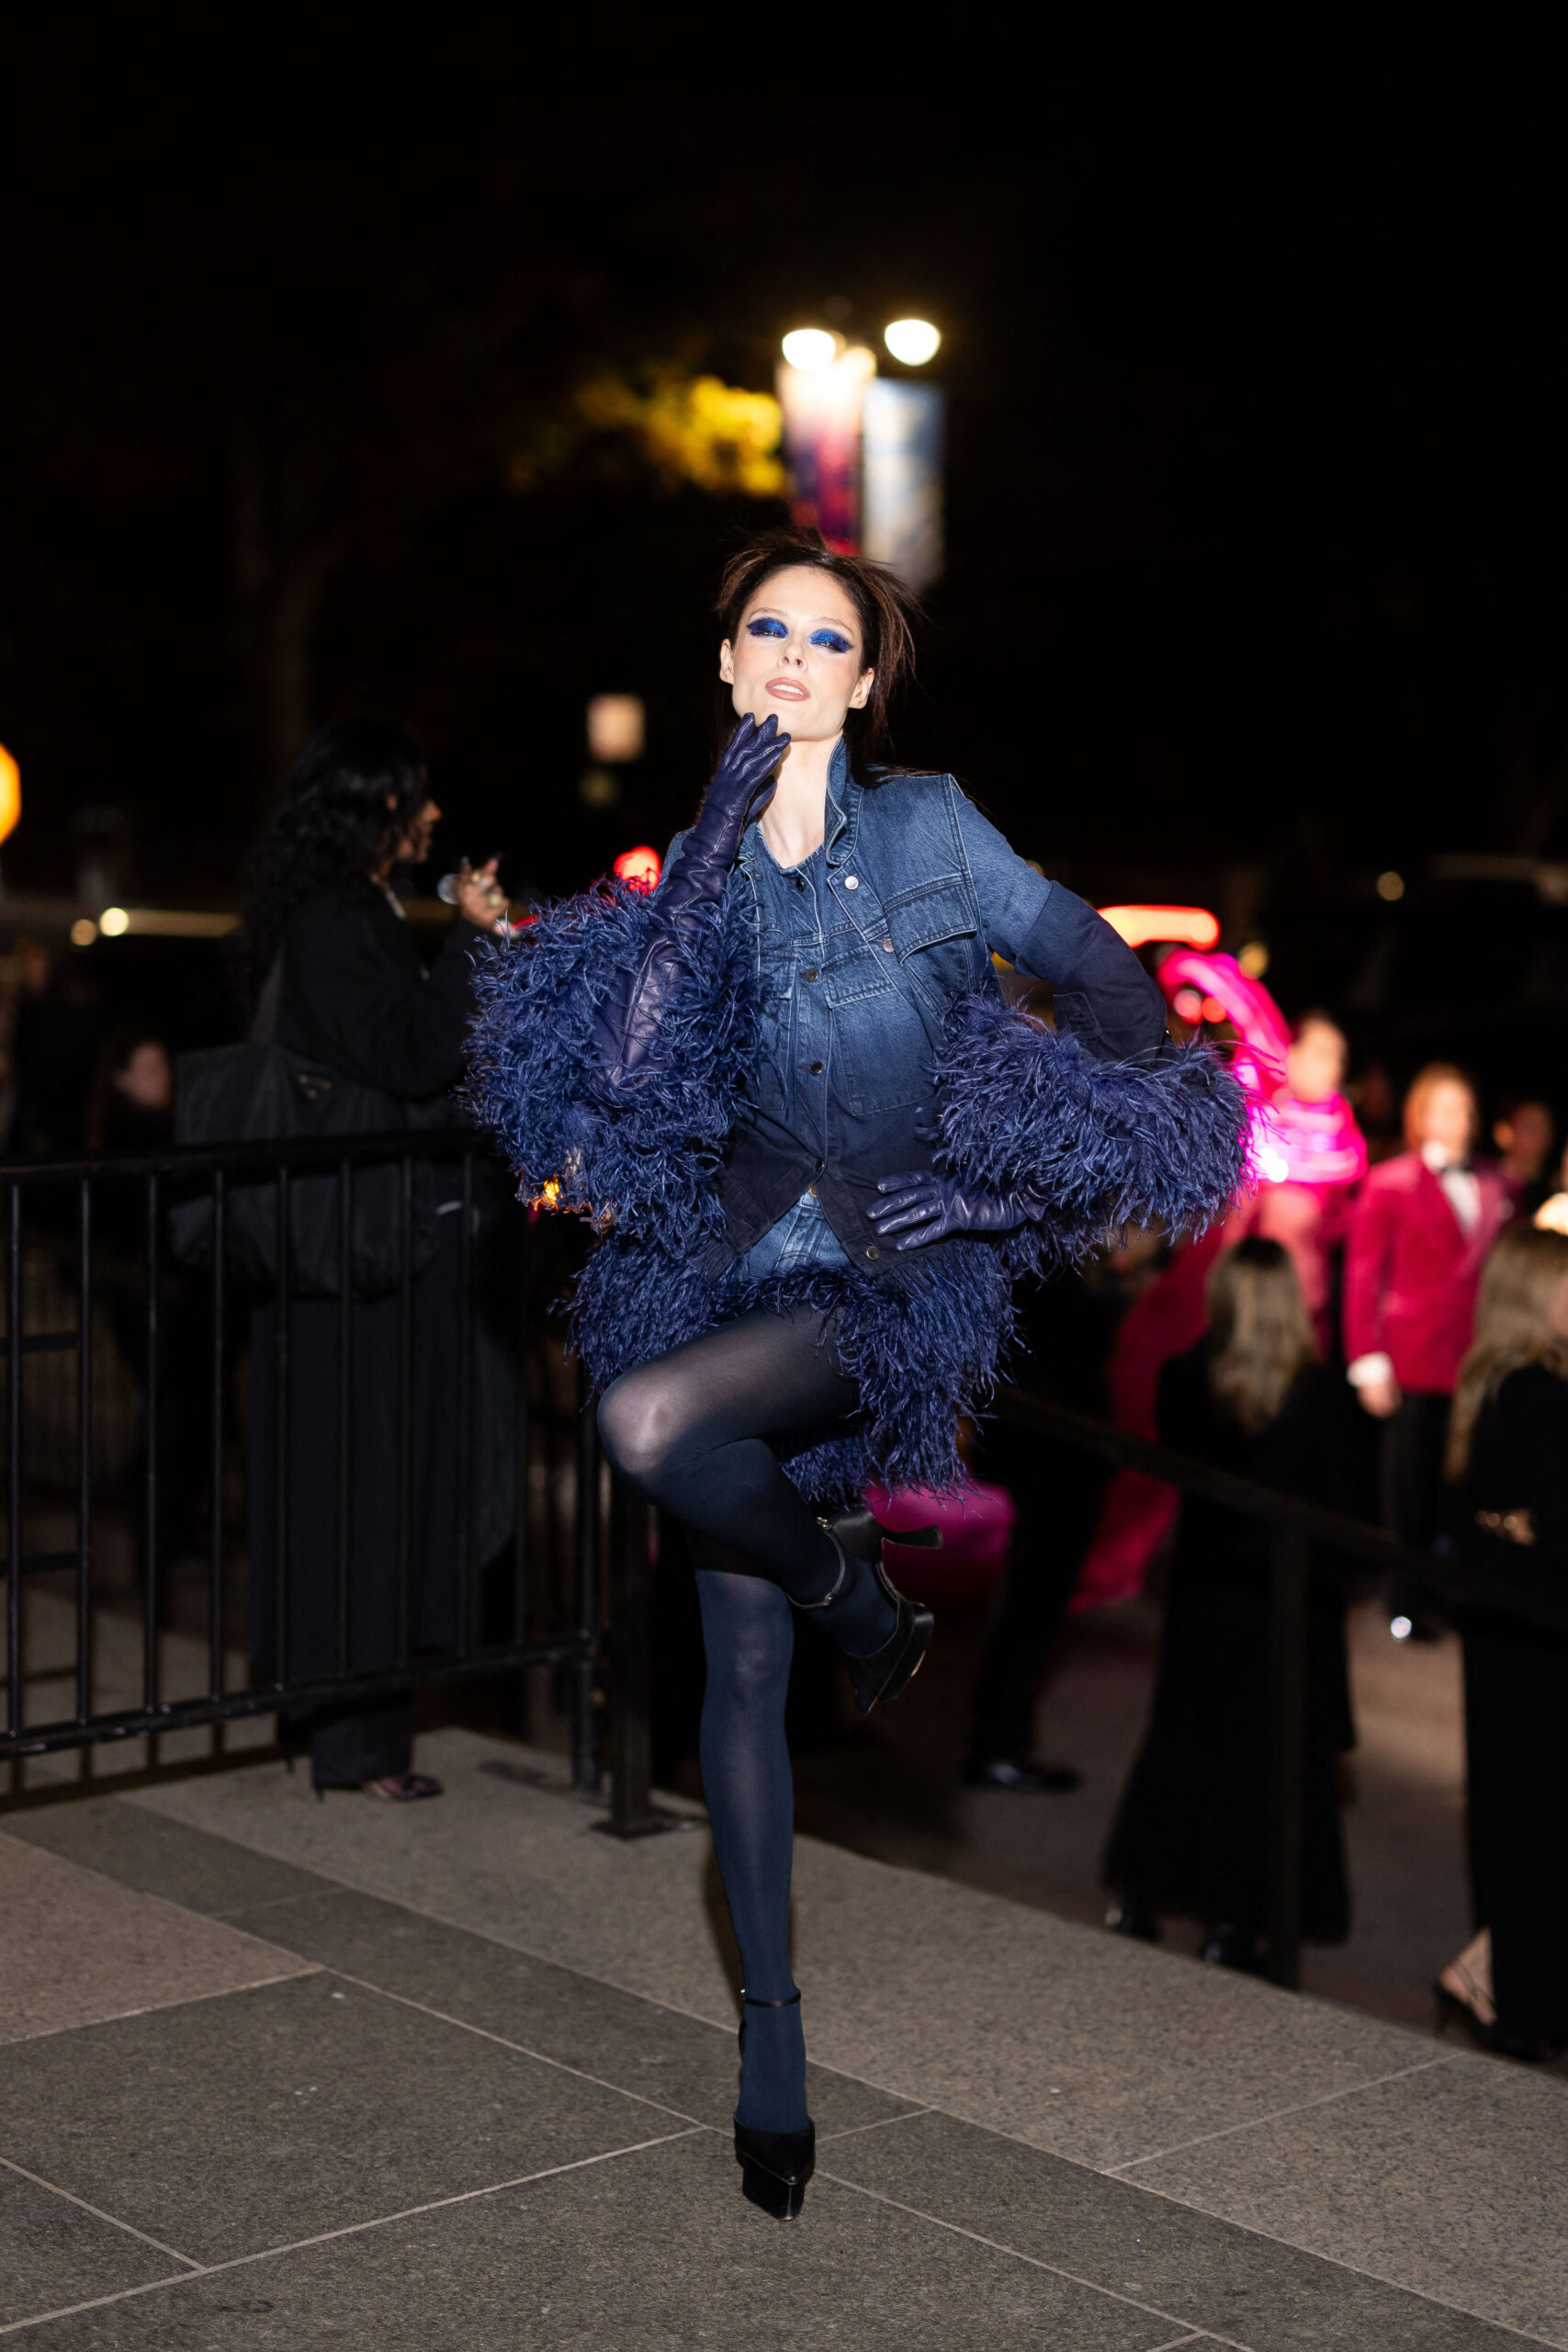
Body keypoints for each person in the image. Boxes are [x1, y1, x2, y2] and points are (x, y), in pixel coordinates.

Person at [467, 526, 1247, 2221]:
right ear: (725, 664)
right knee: (737, 1677)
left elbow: (1123, 1013)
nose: (795, 658)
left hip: (883, 1288)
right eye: (768, 631)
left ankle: (852, 1594)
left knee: (645, 1421)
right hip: (716, 1276)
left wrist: (1000, 1194)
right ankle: (772, 2034)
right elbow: (614, 1087)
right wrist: (699, 857)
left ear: (867, 678)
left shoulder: (935, 829)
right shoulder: (696, 865)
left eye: (828, 639)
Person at [243, 719, 510, 1800]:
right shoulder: (334, 920)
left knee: (365, 1483)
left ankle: (346, 1730)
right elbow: (410, 1056)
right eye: (417, 796)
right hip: (358, 1256)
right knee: (369, 1486)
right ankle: (356, 1747)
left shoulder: (343, 912)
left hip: (364, 1250)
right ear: (374, 809)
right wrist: (471, 939)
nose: (434, 814)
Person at [1101, 1238, 1356, 1969]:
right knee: (1266, 1761)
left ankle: (1141, 1892)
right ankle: (1234, 1923)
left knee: (1184, 1742)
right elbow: (1347, 1510)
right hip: (1285, 1604)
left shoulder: (1186, 1380)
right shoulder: (1320, 1396)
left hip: (1207, 1595)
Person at [1435, 1223, 1568, 2061]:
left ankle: (1497, 1982)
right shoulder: (1535, 1390)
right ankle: (1514, 1996)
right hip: (1536, 1632)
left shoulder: (1492, 1380)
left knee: (1514, 1810)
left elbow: (1480, 1512)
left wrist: (1513, 1526)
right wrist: (1518, 1527)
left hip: (1505, 1628)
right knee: (1535, 1818)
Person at [1342, 1063, 1510, 1631]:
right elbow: (1364, 1274)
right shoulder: (1390, 1182)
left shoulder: (1493, 1184)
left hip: (1469, 1358)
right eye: (1446, 1108)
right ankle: (1405, 1601)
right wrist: (1369, 1361)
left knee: (1455, 1488)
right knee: (1406, 1490)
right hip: (1410, 1357)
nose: (1460, 1120)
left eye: (1466, 1109)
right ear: (1421, 1116)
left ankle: (1445, 1594)